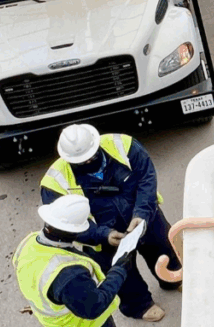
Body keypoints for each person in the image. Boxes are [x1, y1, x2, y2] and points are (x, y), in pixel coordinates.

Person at [40, 124, 181, 323]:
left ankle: (173, 279)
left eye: (91, 156)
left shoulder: (124, 145)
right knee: (120, 272)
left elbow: (146, 179)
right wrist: (103, 235)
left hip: (144, 215)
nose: (89, 161)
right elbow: (65, 224)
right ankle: (139, 305)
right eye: (82, 161)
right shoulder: (55, 183)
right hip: (100, 234)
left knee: (163, 246)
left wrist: (141, 214)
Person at [13, 195, 132, 327]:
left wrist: (103, 235)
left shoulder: (28, 243)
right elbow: (93, 306)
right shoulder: (69, 274)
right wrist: (119, 270)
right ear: (73, 232)